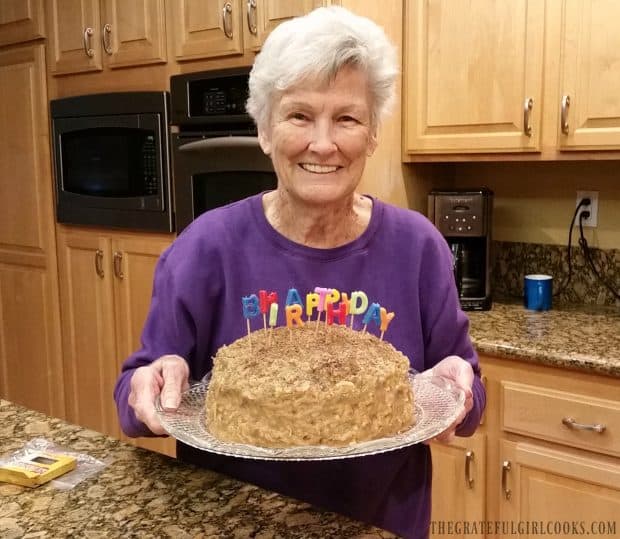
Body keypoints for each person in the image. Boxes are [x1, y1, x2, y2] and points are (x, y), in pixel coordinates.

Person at [114, 6, 485, 538]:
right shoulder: (205, 248)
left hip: (381, 523)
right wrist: (149, 384)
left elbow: (469, 401)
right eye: (299, 116)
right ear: (265, 130)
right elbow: (134, 399)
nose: (323, 143)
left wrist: (461, 390)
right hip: (234, 525)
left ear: (373, 134)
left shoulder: (418, 247)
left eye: (348, 118)